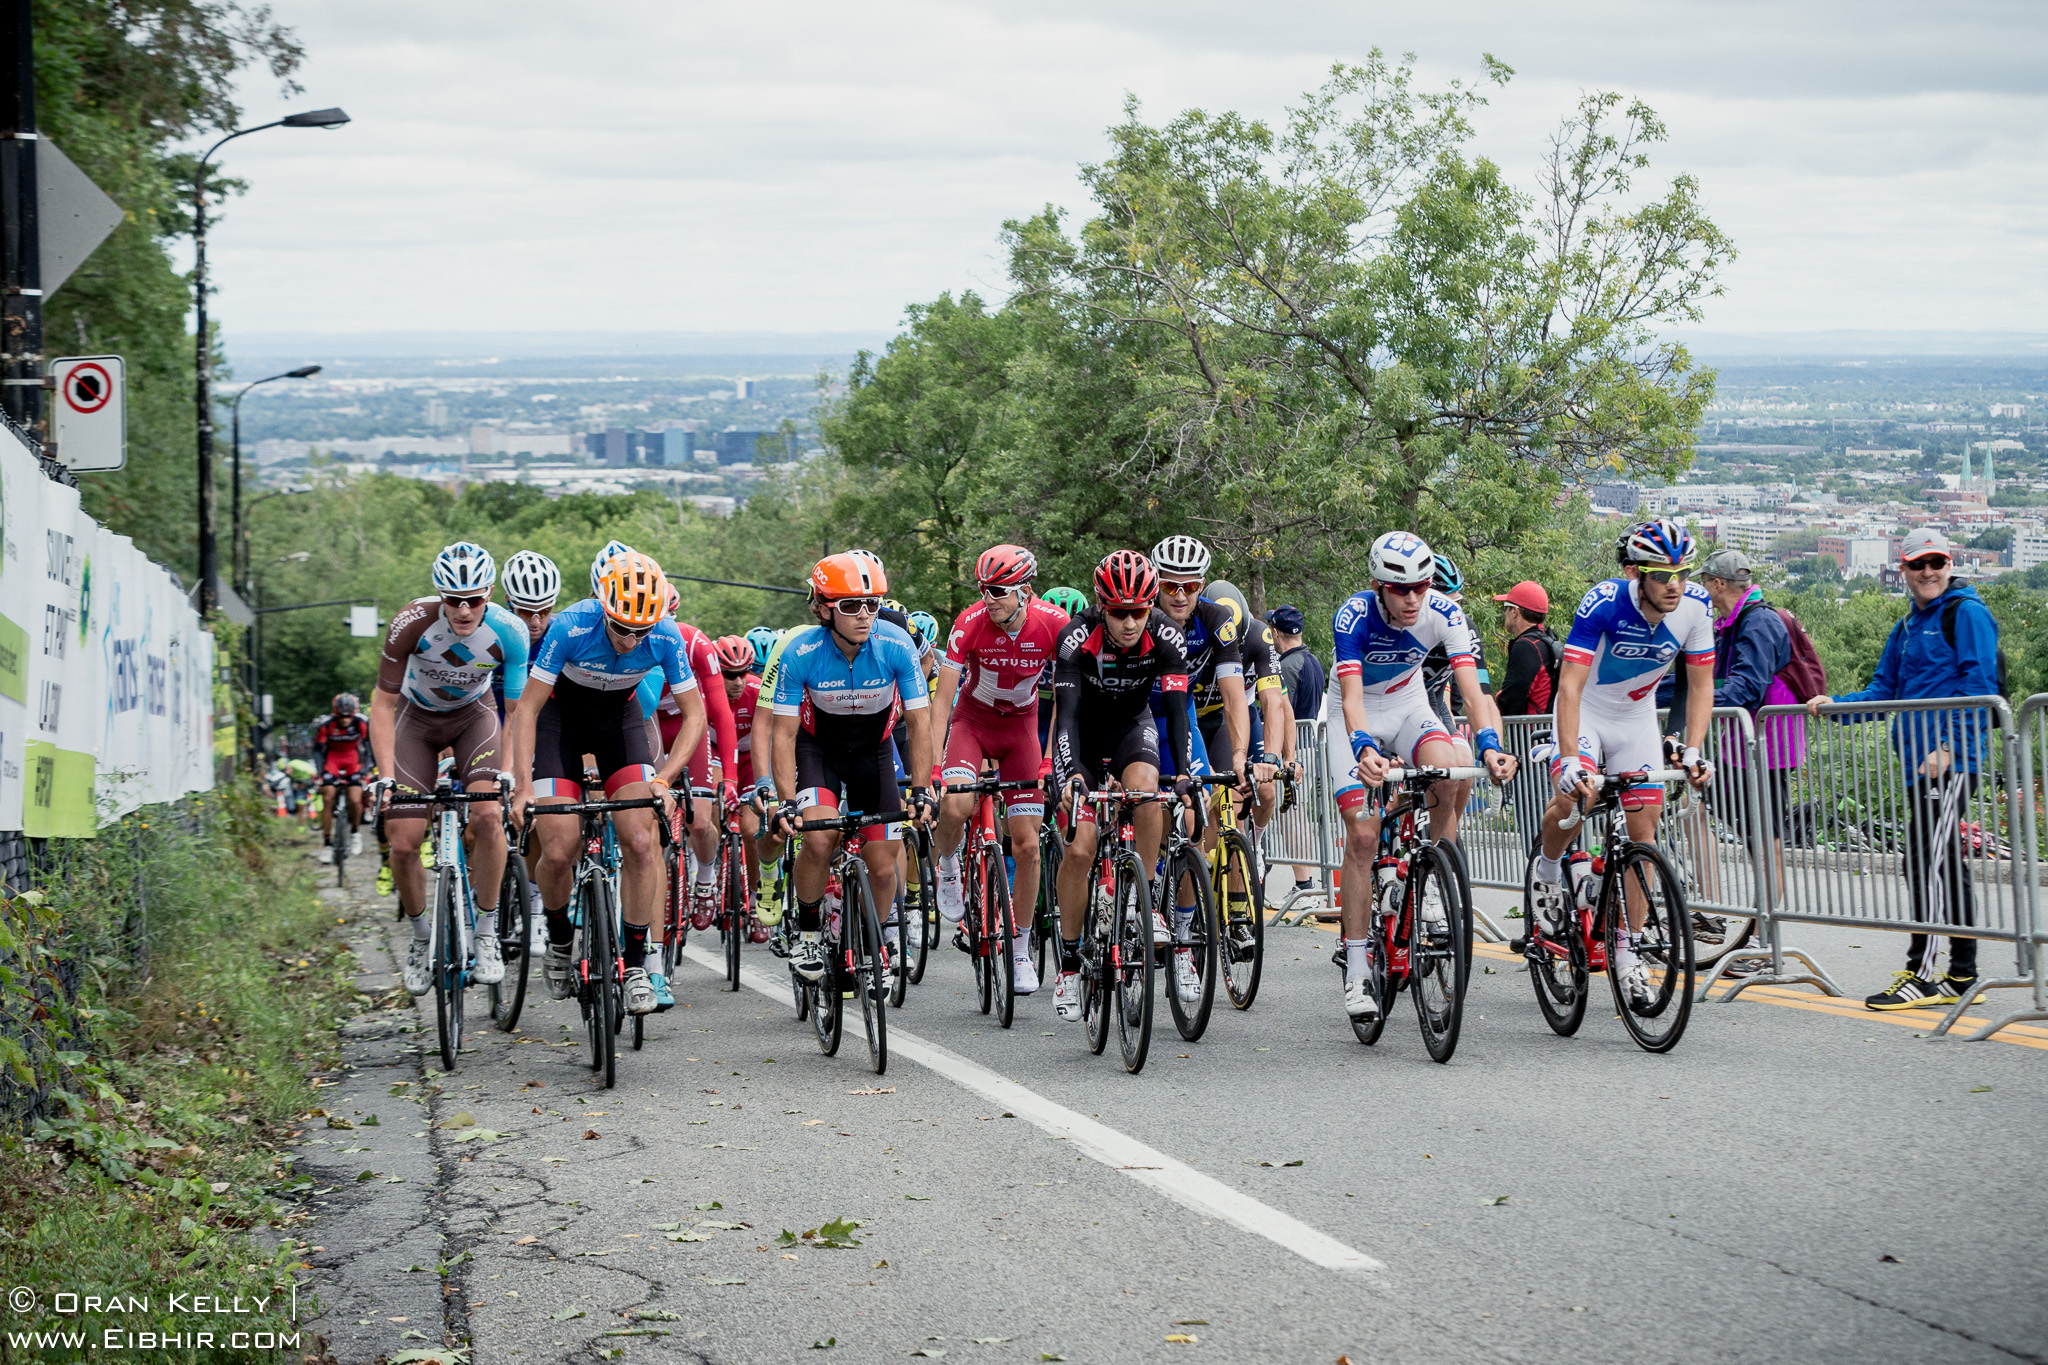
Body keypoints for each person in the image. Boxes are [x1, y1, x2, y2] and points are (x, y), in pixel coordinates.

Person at [1323, 532, 1516, 1021]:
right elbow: (1349, 699)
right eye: (1399, 589)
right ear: (1377, 585)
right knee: (1364, 838)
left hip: (1409, 707)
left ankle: (1429, 882)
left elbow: (1472, 693)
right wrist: (1364, 748)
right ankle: (1358, 968)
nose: (1413, 598)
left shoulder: (1444, 613)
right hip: (1358, 713)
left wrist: (1490, 746)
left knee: (1448, 771)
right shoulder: (1353, 614)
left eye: (1422, 587)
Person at [1806, 529, 1999, 1011]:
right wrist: (1837, 706)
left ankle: (1922, 974)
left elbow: (1981, 687)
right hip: (1921, 766)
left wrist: (1950, 749)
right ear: (1904, 571)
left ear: (1950, 565)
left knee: (1926, 863)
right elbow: (1883, 692)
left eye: (1936, 562)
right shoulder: (1908, 626)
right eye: (1918, 565)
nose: (1928, 572)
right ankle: (1961, 973)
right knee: (1942, 865)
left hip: (1950, 763)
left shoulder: (1966, 614)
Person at [510, 550, 708, 1016]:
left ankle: (637, 964)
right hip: (562, 722)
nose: (632, 639)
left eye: (642, 630)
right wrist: (522, 786)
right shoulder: (571, 626)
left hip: (619, 723)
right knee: (557, 849)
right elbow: (528, 710)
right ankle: (560, 942)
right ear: (604, 608)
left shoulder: (663, 633)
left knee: (641, 841)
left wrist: (665, 777)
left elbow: (695, 714)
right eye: (622, 628)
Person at [1529, 519, 1715, 1010]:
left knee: (1644, 831)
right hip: (1587, 711)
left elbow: (1700, 686)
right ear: (1637, 574)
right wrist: (1570, 757)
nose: (1673, 584)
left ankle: (1628, 951)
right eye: (1660, 574)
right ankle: (1547, 872)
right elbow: (1569, 686)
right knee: (1575, 797)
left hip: (1635, 718)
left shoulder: (1695, 607)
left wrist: (1693, 748)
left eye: (1680, 572)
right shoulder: (1605, 602)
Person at [369, 542, 531, 996]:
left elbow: (516, 713)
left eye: (474, 599)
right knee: (402, 842)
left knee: (488, 815)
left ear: (489, 594)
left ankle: (485, 929)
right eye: (452, 599)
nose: (463, 610)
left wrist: (513, 772)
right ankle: (421, 939)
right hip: (414, 722)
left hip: (473, 720)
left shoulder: (509, 632)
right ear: (439, 595)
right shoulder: (411, 623)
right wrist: (385, 775)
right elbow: (382, 704)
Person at [767, 553, 936, 984]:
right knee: (820, 838)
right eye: (849, 606)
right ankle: (806, 932)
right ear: (824, 609)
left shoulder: (896, 646)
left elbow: (919, 722)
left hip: (874, 754)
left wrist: (921, 789)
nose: (864, 615)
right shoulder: (802, 653)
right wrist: (785, 801)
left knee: (882, 866)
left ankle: (876, 944)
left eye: (872, 605)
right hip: (818, 751)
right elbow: (783, 736)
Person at [1048, 550, 1195, 1022]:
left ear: (1151, 605)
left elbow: (1175, 713)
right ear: (1101, 606)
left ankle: (1146, 901)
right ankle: (1069, 965)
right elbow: (1066, 718)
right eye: (1119, 613)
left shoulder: (1166, 637)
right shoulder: (1074, 638)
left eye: (1139, 611)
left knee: (1149, 791)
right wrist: (1070, 774)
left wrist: (1186, 772)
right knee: (1080, 848)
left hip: (1134, 725)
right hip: (1085, 737)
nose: (1130, 623)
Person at [929, 544, 1065, 996]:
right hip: (973, 723)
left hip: (1022, 731)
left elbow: (1067, 700)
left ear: (1025, 590)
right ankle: (948, 862)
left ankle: (1021, 948)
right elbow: (943, 699)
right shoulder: (969, 623)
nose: (989, 598)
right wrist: (933, 765)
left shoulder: (1053, 624)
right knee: (957, 802)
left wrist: (1049, 760)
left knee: (1026, 845)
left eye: (1000, 590)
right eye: (984, 589)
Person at [1149, 536, 1254, 1005]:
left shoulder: (1216, 620)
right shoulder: (1137, 617)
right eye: (1170, 586)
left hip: (1179, 712)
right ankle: (1133, 886)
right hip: (1129, 711)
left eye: (1189, 587)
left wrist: (1238, 757)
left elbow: (1235, 693)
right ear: (1156, 585)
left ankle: (1186, 945)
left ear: (1203, 587)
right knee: (1138, 802)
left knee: (1196, 816)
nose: (1179, 597)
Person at [631, 580, 739, 1010]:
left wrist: (728, 778)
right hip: (648, 728)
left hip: (688, 732)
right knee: (649, 842)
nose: (662, 628)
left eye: (669, 618)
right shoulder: (629, 641)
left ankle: (707, 875)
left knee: (700, 820)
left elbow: (721, 716)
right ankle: (652, 956)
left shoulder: (692, 644)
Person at [1694, 549, 1801, 951]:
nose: (1703, 590)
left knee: (1765, 837)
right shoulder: (1735, 621)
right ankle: (1740, 923)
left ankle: (1761, 940)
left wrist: (1695, 704)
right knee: (1729, 818)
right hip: (1745, 743)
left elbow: (1747, 686)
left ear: (1718, 584)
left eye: (1705, 582)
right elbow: (1707, 681)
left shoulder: (1758, 622)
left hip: (1769, 744)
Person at [1490, 579, 1561, 839]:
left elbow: (1510, 700)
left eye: (1505, 608)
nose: (1504, 615)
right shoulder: (1547, 642)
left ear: (1515, 612)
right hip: (1550, 740)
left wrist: (1494, 699)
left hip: (1528, 746)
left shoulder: (1525, 647)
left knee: (1535, 823)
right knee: (1552, 819)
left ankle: (1539, 875)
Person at [1267, 603, 1325, 894]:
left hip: (1294, 750)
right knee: (1297, 815)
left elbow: (1280, 711)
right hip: (1308, 746)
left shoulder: (1286, 666)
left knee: (1292, 815)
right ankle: (1306, 882)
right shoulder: (1312, 660)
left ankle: (1304, 884)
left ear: (1276, 633)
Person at [313, 693, 368, 863]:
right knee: (328, 796)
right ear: (335, 713)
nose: (345, 720)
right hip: (333, 760)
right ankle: (327, 844)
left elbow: (369, 746)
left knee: (355, 799)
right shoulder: (326, 725)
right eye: (341, 717)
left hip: (352, 759)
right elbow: (318, 750)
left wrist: (367, 769)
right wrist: (320, 773)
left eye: (348, 717)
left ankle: (355, 832)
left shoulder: (361, 723)